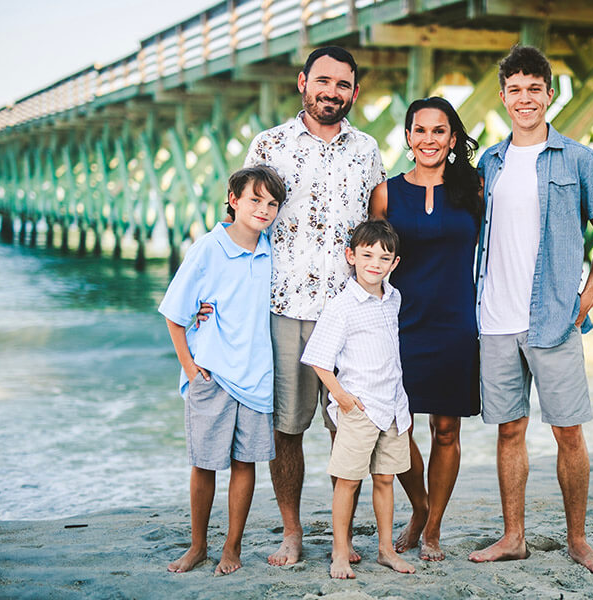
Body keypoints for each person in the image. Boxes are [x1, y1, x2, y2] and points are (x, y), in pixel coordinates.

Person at [199, 46, 385, 566]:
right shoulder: (270, 144)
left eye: (343, 84)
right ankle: (292, 531)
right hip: (283, 308)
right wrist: (211, 296)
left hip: (349, 312)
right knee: (288, 428)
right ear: (303, 82)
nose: (332, 91)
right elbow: (241, 226)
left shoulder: (367, 149)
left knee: (351, 425)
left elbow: (379, 229)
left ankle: (347, 535)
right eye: (322, 80)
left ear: (354, 91)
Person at [467, 46, 593, 574]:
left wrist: (588, 295)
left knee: (568, 432)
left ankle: (578, 539)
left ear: (549, 95)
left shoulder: (578, 158)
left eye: (535, 89)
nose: (525, 98)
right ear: (503, 97)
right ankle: (514, 536)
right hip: (495, 320)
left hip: (553, 319)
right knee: (509, 430)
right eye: (515, 89)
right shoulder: (489, 161)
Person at [158, 166, 286, 575]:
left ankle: (232, 548)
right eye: (255, 199)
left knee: (246, 464)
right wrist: (191, 368)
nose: (263, 209)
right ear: (233, 199)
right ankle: (197, 546)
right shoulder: (209, 248)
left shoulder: (270, 251)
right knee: (204, 463)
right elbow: (175, 314)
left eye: (272, 203)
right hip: (211, 376)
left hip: (256, 377)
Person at [369, 97, 481, 561]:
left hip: (457, 321)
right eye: (421, 130)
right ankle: (419, 507)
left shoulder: (473, 187)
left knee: (447, 429)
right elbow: (367, 261)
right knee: (399, 427)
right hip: (402, 322)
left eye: (440, 131)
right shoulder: (386, 193)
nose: (429, 139)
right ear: (409, 137)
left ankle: (432, 528)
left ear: (452, 139)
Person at [300, 219, 415, 579]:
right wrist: (343, 399)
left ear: (394, 264)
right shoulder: (342, 306)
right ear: (351, 256)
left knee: (385, 480)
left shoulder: (393, 298)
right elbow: (319, 358)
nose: (374, 264)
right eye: (367, 255)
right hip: (360, 409)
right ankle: (339, 552)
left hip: (394, 407)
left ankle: (384, 550)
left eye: (384, 258)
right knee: (348, 481)